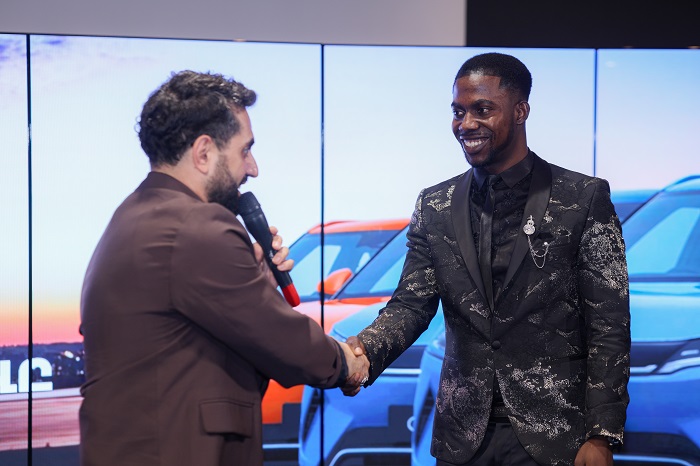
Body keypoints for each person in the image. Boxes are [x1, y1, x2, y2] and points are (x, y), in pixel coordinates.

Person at [343, 53, 630, 466]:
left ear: (520, 111)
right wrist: (366, 352)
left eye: (482, 109)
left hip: (555, 436)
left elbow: (609, 324)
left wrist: (601, 433)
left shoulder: (582, 197)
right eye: (458, 112)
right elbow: (410, 305)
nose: (466, 124)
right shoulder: (435, 204)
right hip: (463, 437)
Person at [78, 70, 368, 466]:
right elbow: (278, 337)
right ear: (204, 153)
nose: (253, 168)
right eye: (245, 150)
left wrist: (254, 279)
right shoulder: (196, 226)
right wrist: (345, 362)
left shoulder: (133, 216)